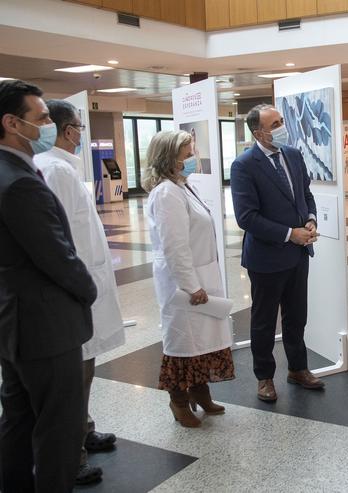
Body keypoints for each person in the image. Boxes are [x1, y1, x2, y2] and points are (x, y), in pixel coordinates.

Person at [0, 79, 97, 491]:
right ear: (11, 123)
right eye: (41, 119)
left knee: (18, 419)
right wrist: (88, 289)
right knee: (58, 429)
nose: (48, 127)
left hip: (14, 321)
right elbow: (56, 255)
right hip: (45, 324)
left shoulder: (10, 170)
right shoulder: (20, 183)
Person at [34, 99, 126, 485]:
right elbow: (61, 239)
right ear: (68, 130)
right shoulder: (54, 169)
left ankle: (83, 429)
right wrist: (84, 284)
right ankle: (73, 454)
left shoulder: (60, 168)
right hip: (76, 288)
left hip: (84, 284)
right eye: (78, 127)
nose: (80, 134)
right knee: (76, 373)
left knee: (84, 369)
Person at [230, 104, 324, 402]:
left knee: (297, 317)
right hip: (267, 258)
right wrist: (289, 234)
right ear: (259, 132)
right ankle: (265, 377)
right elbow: (247, 217)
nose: (283, 126)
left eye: (282, 120)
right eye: (276, 123)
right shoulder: (244, 165)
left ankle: (298, 369)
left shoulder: (293, 156)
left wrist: (309, 219)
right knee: (264, 321)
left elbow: (305, 194)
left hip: (298, 255)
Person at [143, 130, 234, 428]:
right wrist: (191, 285)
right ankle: (178, 401)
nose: (192, 157)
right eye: (187, 152)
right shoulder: (167, 193)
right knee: (183, 344)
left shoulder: (181, 186)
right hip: (184, 284)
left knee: (202, 342)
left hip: (200, 274)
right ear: (169, 156)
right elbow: (175, 245)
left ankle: (200, 391)